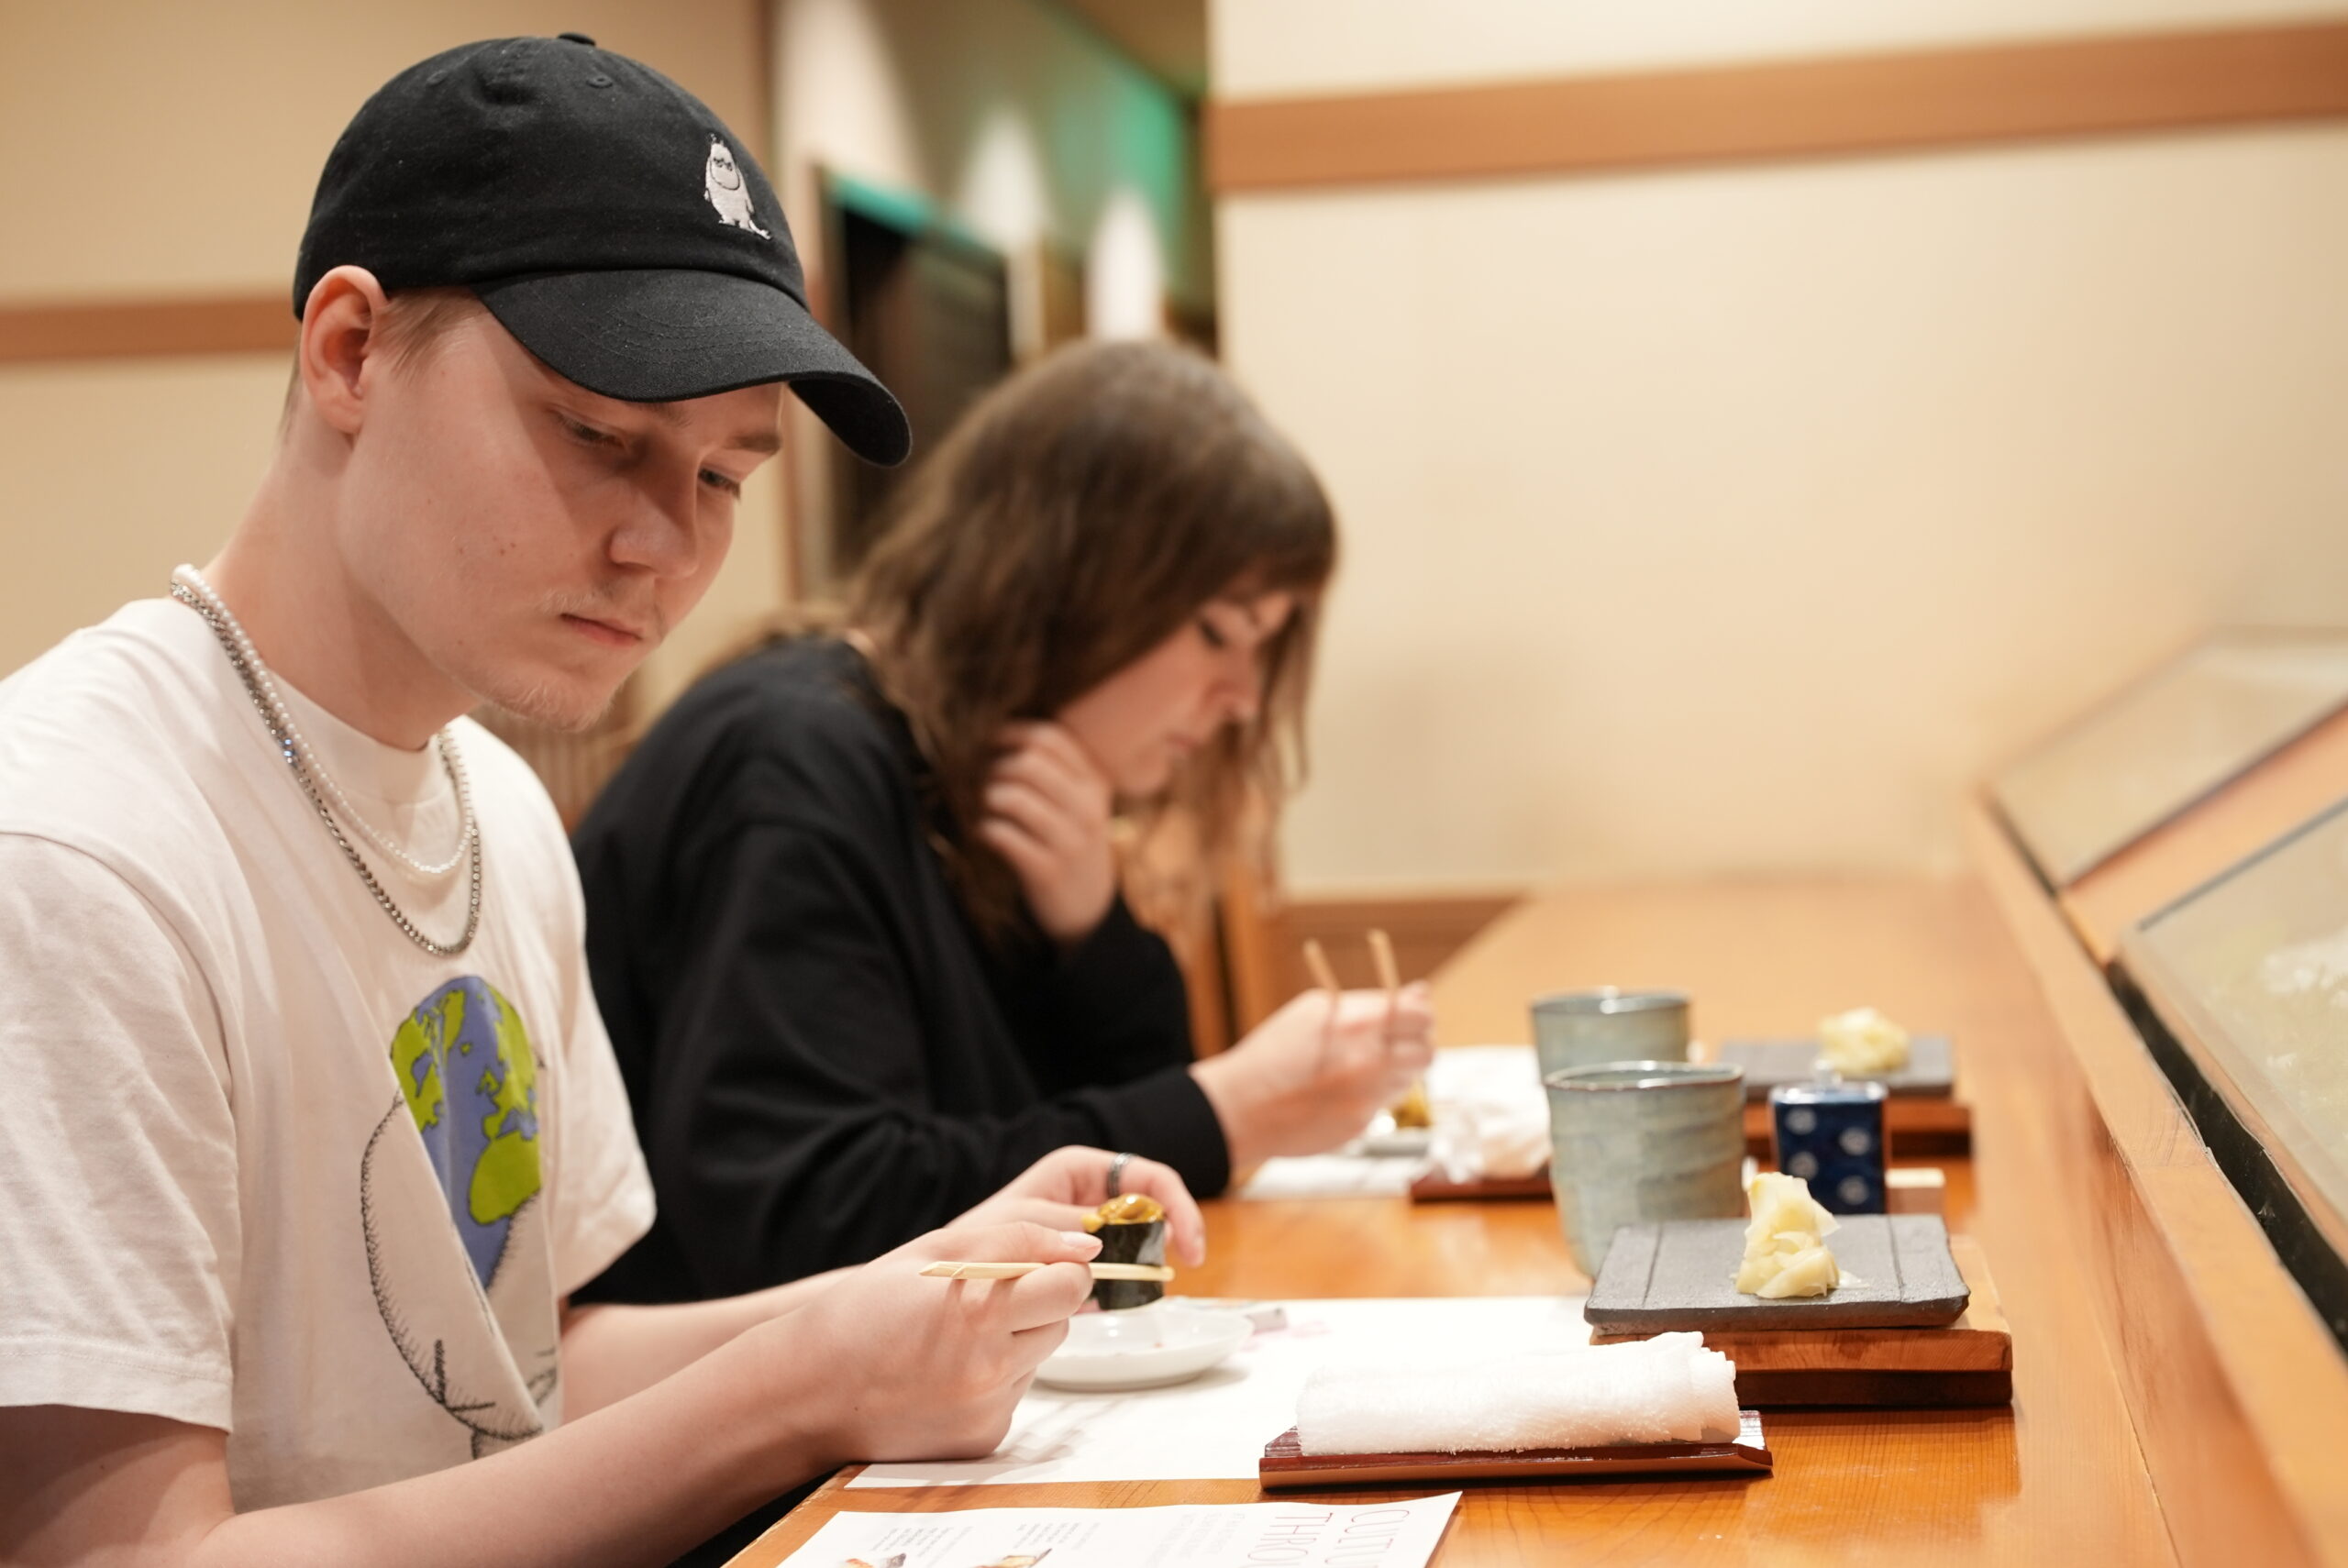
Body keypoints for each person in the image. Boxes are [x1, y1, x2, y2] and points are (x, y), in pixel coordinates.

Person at [0, 37, 1205, 1568]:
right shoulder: (74, 851)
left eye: (722, 477)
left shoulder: (498, 808)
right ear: (351, 351)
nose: (666, 549)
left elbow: (527, 1369)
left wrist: (914, 1289)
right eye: (598, 436)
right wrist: (791, 1392)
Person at [571, 340, 1436, 1302]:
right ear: (1070, 583)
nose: (1242, 696)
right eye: (1216, 632)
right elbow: (808, 1220)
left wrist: (1091, 936)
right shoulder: (795, 757)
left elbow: (1108, 1151)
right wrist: (1222, 1113)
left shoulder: (988, 776)